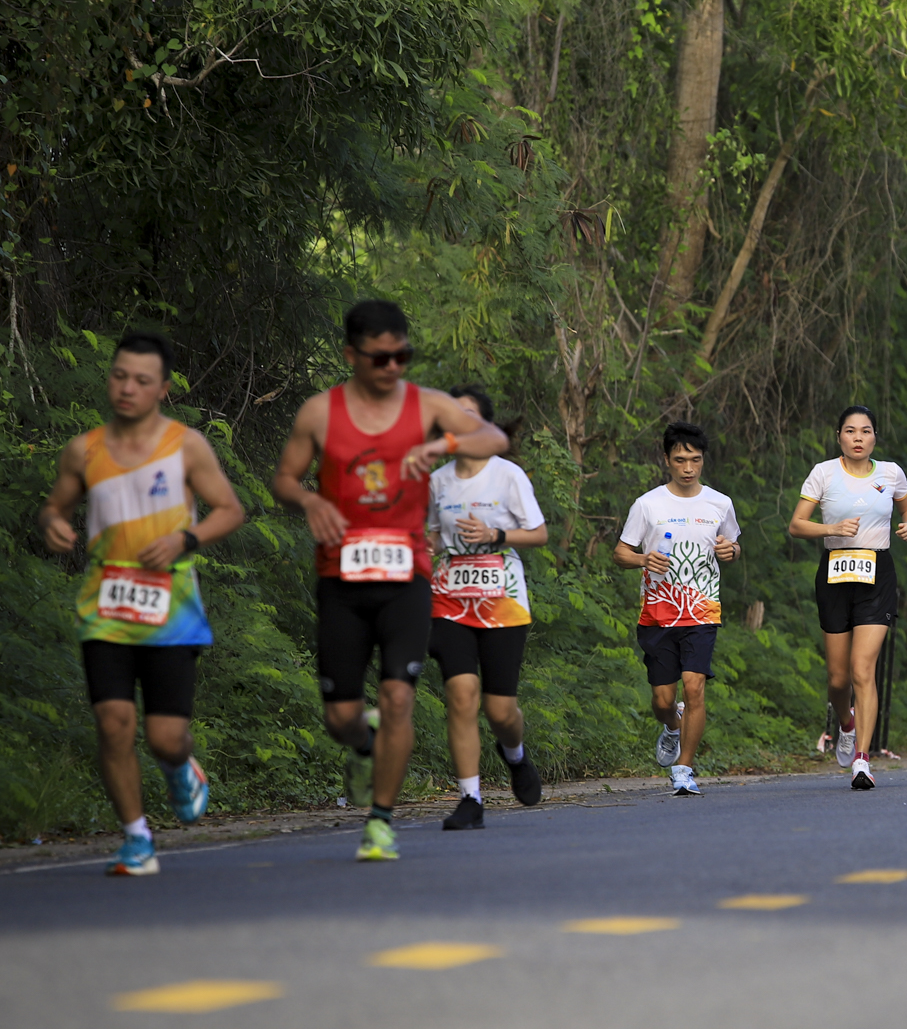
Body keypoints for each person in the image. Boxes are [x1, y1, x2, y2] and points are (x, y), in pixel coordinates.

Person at [272, 300, 507, 862]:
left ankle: (380, 822)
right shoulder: (320, 413)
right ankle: (363, 743)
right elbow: (282, 477)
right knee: (341, 718)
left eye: (403, 355)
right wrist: (308, 500)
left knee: (399, 696)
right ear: (351, 355)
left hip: (407, 577)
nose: (393, 367)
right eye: (381, 358)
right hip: (341, 580)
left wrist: (442, 443)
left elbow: (494, 438)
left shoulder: (427, 405)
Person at [38, 331, 246, 876]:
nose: (127, 388)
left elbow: (229, 509)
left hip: (170, 611)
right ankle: (136, 837)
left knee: (164, 735)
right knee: (112, 722)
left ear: (163, 389)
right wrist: (55, 524)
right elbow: (54, 507)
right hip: (105, 607)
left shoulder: (186, 446)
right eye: (120, 376)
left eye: (142, 381)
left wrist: (186, 540)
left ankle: (181, 769)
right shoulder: (85, 450)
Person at [426, 386, 548, 829]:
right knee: (461, 694)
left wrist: (496, 537)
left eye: (468, 416)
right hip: (450, 598)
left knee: (500, 711)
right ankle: (470, 798)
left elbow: (538, 534)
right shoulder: (437, 480)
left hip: (502, 599)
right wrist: (424, 545)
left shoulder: (507, 475)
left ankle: (514, 755)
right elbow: (433, 536)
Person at [788, 407, 907, 791]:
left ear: (875, 436)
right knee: (838, 677)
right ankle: (845, 723)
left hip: (877, 572)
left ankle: (862, 759)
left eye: (865, 431)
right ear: (839, 437)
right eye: (850, 431)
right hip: (835, 573)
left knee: (864, 669)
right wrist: (831, 528)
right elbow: (796, 524)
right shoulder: (824, 473)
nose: (858, 438)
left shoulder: (890, 473)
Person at [614, 422, 740, 797]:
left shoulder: (720, 503)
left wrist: (729, 551)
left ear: (703, 461)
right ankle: (672, 725)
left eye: (695, 460)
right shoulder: (648, 504)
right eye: (680, 460)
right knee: (663, 699)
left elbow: (732, 547)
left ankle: (684, 769)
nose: (688, 467)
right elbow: (621, 554)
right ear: (667, 460)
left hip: (702, 609)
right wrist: (642, 560)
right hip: (658, 612)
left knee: (695, 686)